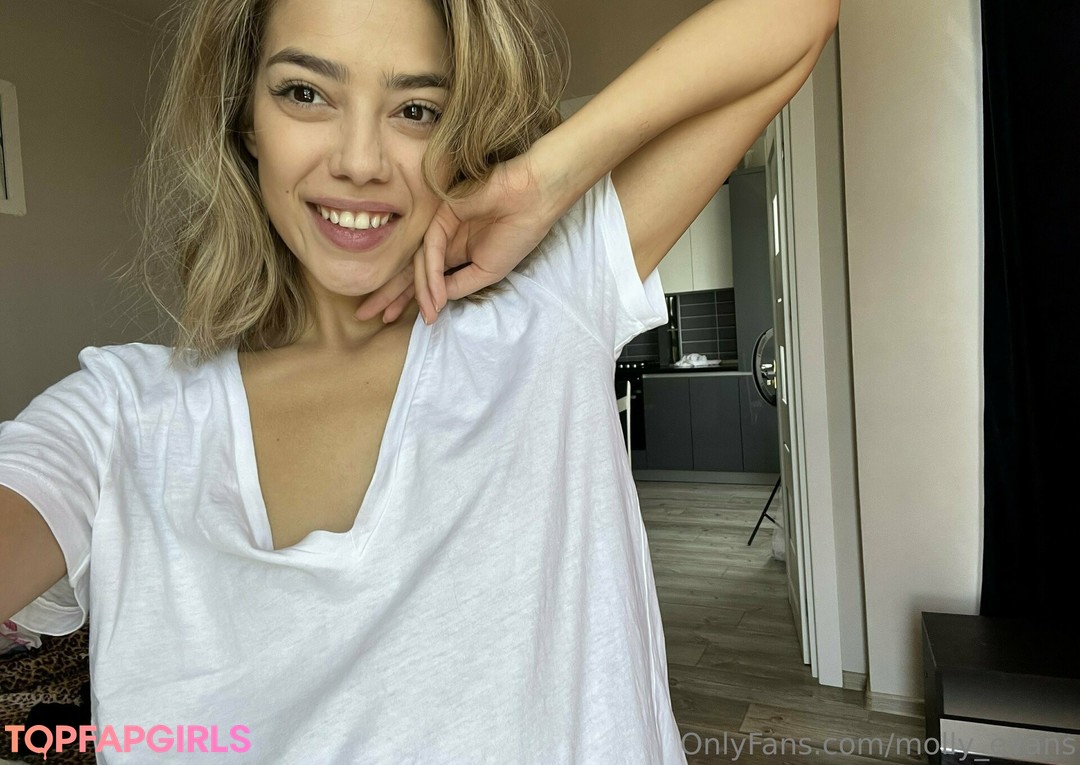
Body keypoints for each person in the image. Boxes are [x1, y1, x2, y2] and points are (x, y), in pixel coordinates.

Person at [0, 0, 838, 760]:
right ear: (246, 118)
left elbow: (796, 18)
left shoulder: (551, 304)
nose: (361, 161)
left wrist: (541, 180)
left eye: (416, 110)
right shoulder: (119, 415)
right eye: (305, 93)